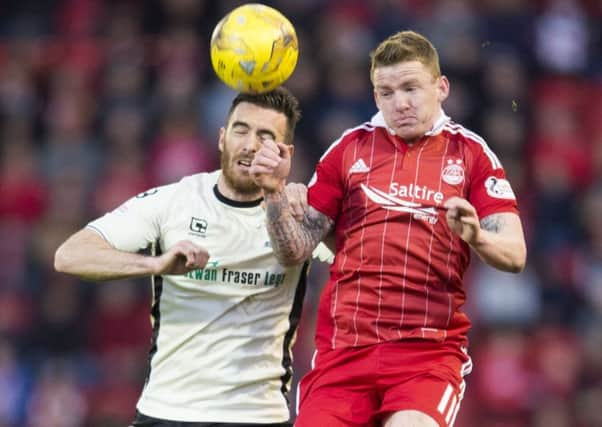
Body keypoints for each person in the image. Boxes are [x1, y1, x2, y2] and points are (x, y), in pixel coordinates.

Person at [250, 30, 527, 427]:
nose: (400, 103)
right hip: (344, 353)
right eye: (387, 92)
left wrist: (477, 236)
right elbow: (294, 251)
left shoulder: (471, 154)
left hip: (427, 354)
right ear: (375, 95)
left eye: (411, 88)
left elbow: (515, 254)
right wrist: (274, 192)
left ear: (441, 87)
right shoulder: (349, 150)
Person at [54, 87, 307, 427]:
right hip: (167, 411)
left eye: (265, 136)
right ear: (222, 138)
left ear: (285, 152)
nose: (249, 145)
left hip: (258, 415)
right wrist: (154, 265)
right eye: (241, 130)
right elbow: (70, 255)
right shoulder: (175, 200)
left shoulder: (301, 212)